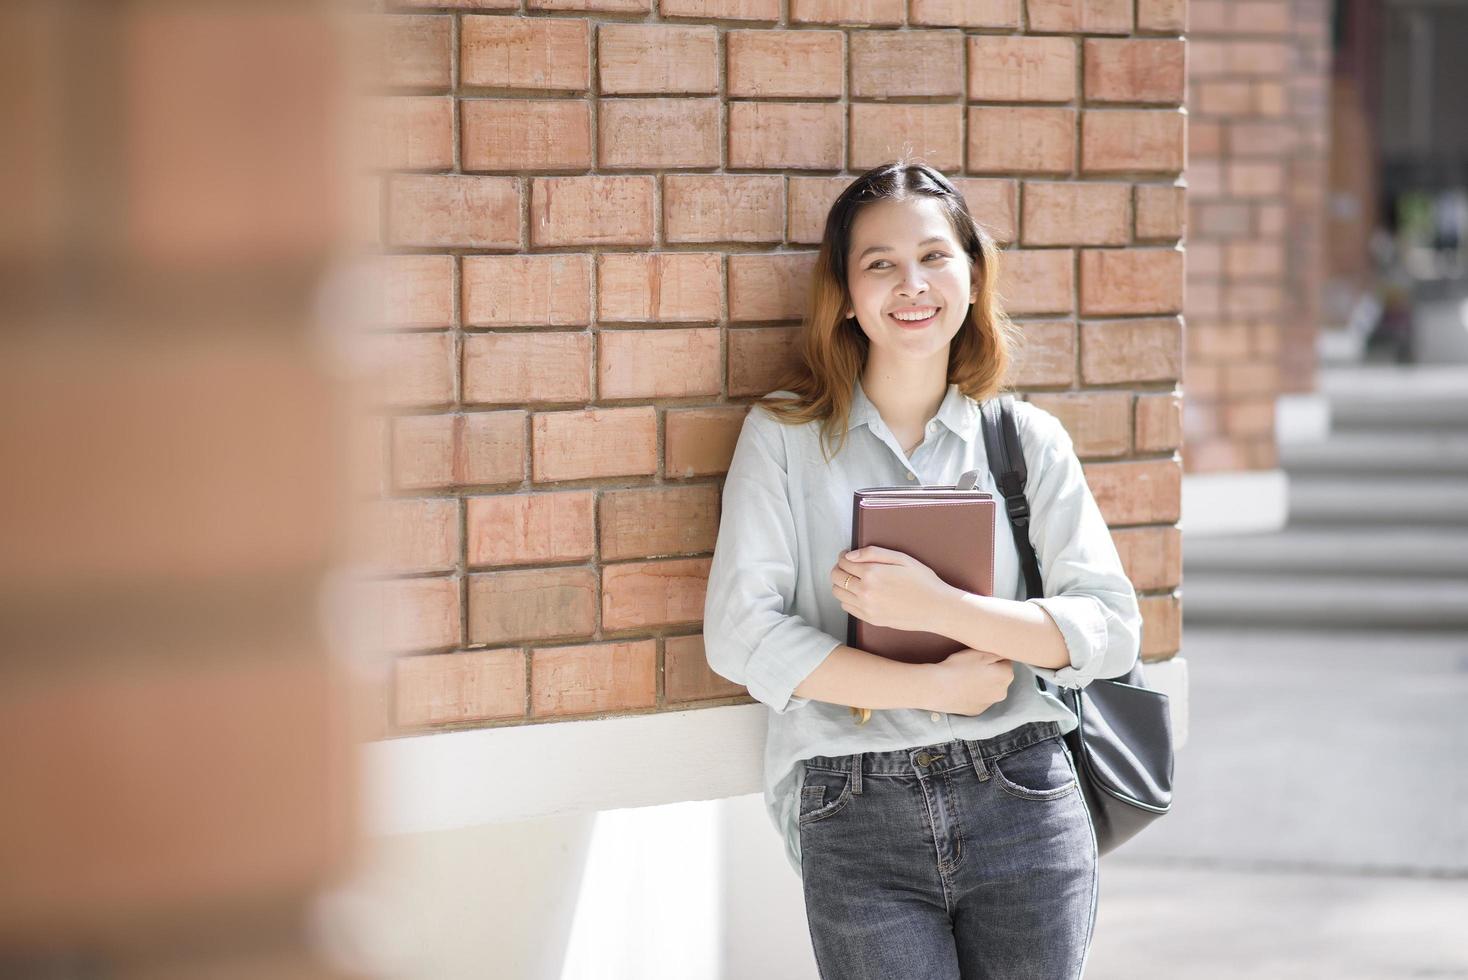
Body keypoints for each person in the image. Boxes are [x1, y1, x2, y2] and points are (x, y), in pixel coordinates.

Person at [701, 160, 1143, 979]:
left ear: (973, 277)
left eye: (936, 257)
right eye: (880, 263)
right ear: (843, 293)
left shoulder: (1025, 439)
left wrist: (940, 607)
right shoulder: (786, 439)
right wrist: (930, 688)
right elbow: (739, 633)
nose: (913, 283)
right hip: (853, 802)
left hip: (1023, 792)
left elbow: (1110, 631)